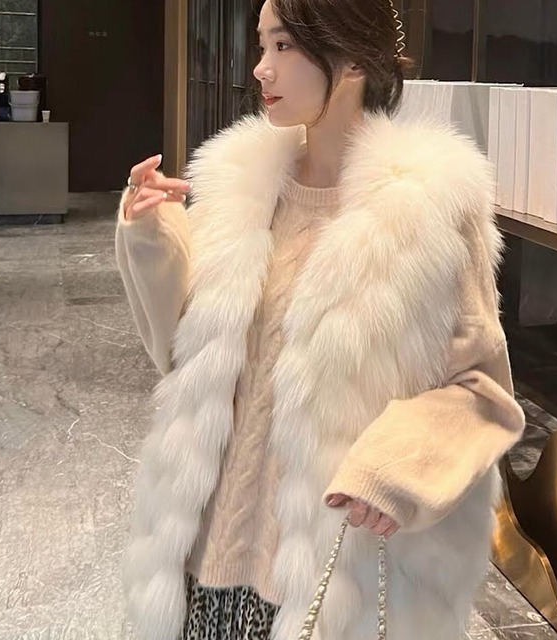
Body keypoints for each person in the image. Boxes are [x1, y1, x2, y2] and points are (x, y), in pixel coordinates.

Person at [115, 0, 526, 638]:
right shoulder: (239, 191)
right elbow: (180, 357)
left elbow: (483, 391)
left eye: (283, 46)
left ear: (353, 60)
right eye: (262, 45)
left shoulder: (428, 211)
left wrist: (397, 467)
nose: (261, 68)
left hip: (333, 576)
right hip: (202, 559)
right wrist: (151, 238)